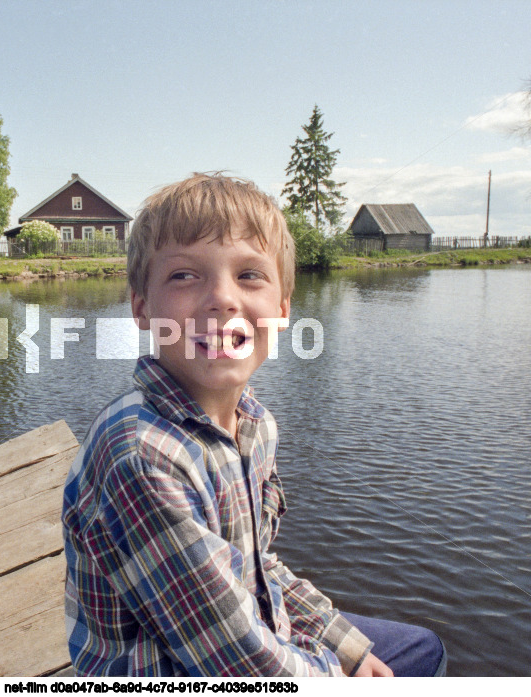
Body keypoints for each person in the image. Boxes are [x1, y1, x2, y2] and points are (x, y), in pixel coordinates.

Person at [62, 173, 446, 677]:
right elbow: (241, 666)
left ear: (283, 308)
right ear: (141, 307)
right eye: (183, 276)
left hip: (241, 637)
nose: (222, 298)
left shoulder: (254, 426)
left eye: (249, 275)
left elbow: (258, 568)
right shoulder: (140, 456)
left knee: (421, 649)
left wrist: (343, 646)